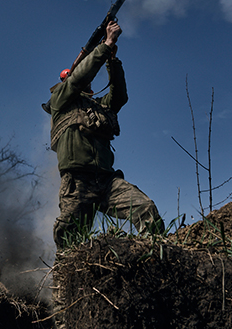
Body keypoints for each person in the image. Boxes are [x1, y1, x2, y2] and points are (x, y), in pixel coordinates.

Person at [48, 20, 162, 249]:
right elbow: (77, 78)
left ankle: (155, 257)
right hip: (77, 182)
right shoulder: (60, 101)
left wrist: (112, 61)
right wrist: (106, 44)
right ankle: (65, 282)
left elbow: (119, 97)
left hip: (106, 180)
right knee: (70, 241)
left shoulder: (98, 107)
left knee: (144, 208)